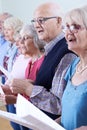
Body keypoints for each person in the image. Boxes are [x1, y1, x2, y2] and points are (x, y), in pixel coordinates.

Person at [10, 2, 76, 121]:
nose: (36, 25)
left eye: (41, 20)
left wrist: (28, 88)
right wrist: (33, 84)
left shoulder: (66, 52)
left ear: (59, 21)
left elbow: (59, 105)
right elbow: (51, 86)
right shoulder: (52, 49)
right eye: (34, 21)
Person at [0, 24, 45, 130]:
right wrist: (8, 90)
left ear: (36, 39)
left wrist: (15, 100)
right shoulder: (30, 62)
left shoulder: (42, 61)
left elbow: (38, 95)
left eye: (25, 38)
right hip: (25, 112)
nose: (20, 43)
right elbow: (26, 92)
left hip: (37, 116)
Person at [57, 6, 87, 130]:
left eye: (75, 27)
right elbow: (68, 114)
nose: (68, 32)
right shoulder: (74, 65)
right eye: (66, 27)